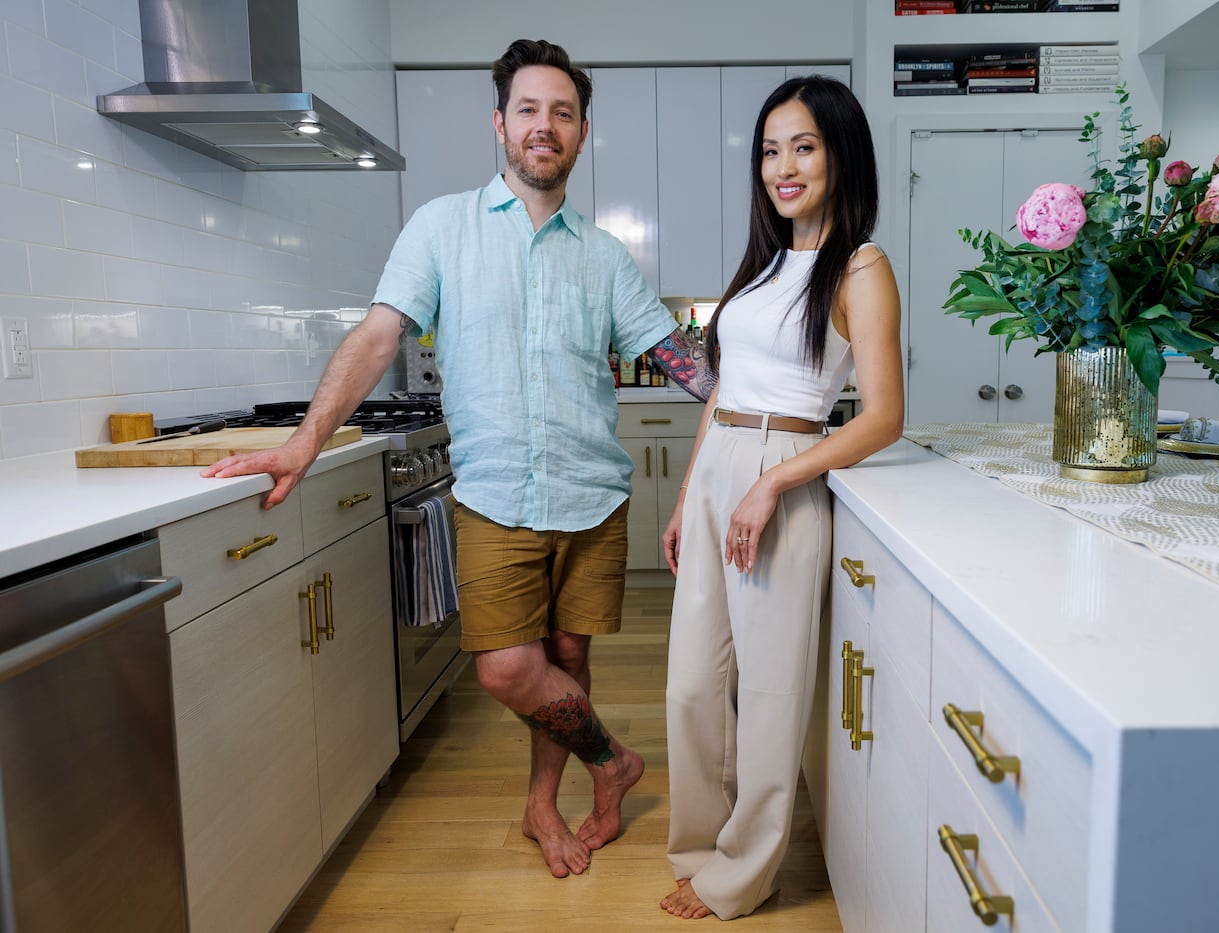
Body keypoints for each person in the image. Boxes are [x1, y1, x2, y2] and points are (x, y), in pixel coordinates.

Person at [200, 38, 715, 880]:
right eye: (528, 110)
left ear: (582, 133)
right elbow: (378, 336)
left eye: (562, 112)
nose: (544, 126)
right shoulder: (441, 227)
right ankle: (614, 762)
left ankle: (542, 805)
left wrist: (751, 403)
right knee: (510, 665)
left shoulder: (604, 256)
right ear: (500, 125)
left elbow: (675, 355)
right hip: (494, 494)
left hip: (592, 493)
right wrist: (306, 439)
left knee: (568, 660)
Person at [657, 76, 904, 921]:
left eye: (803, 146)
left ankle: (744, 872)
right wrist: (692, 492)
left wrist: (772, 480)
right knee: (692, 685)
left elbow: (884, 416)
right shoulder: (763, 264)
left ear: (841, 154)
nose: (783, 166)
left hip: (785, 472)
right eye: (770, 150)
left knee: (766, 693)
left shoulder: (862, 266)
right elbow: (724, 389)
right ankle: (699, 846)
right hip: (723, 460)